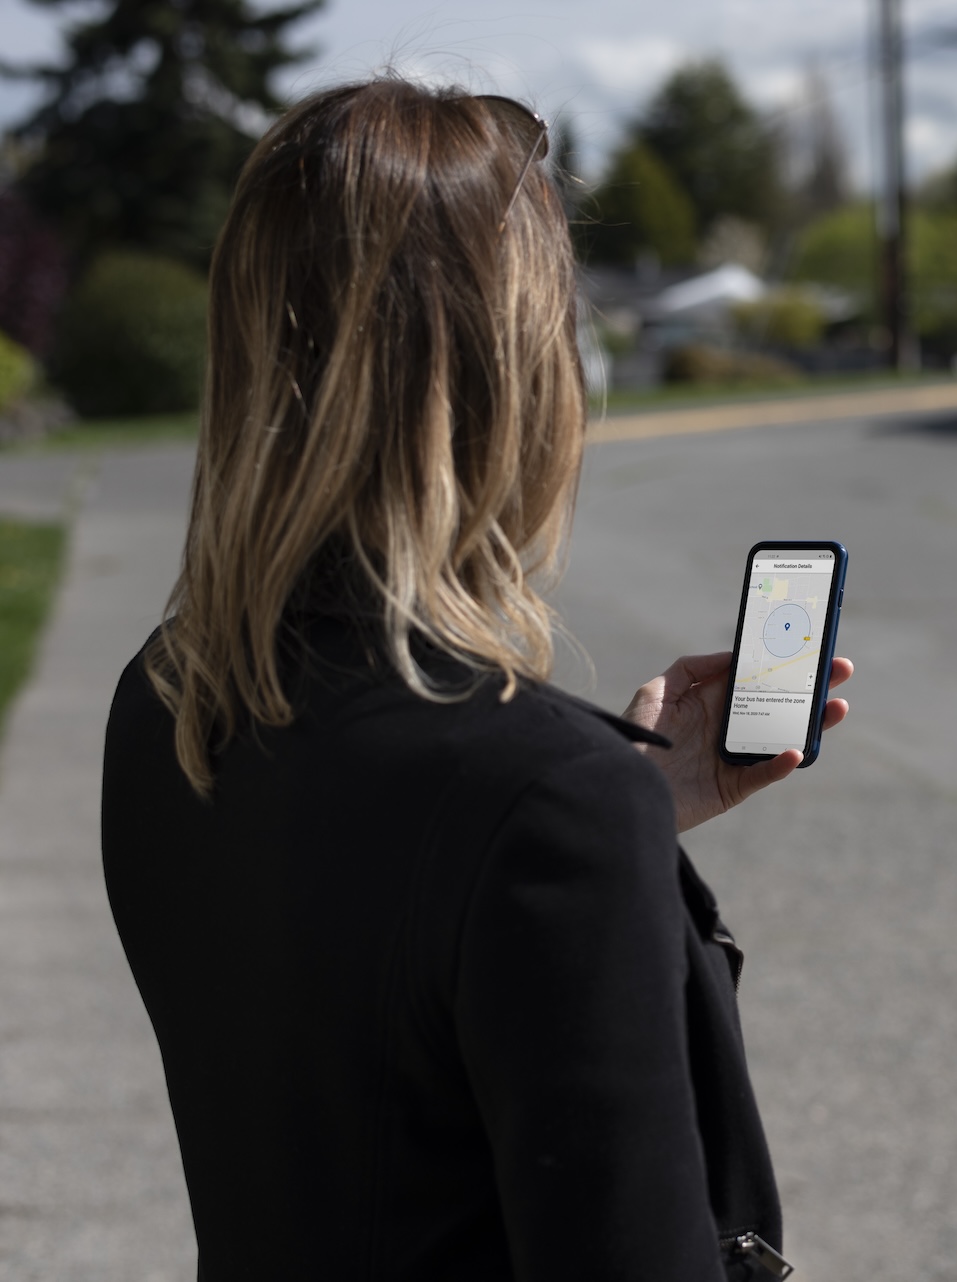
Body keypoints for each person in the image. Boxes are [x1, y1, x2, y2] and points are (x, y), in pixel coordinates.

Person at [98, 79, 847, 1281]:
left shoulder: (171, 701)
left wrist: (628, 813)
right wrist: (589, 820)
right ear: (506, 376)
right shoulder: (546, 801)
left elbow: (372, 985)